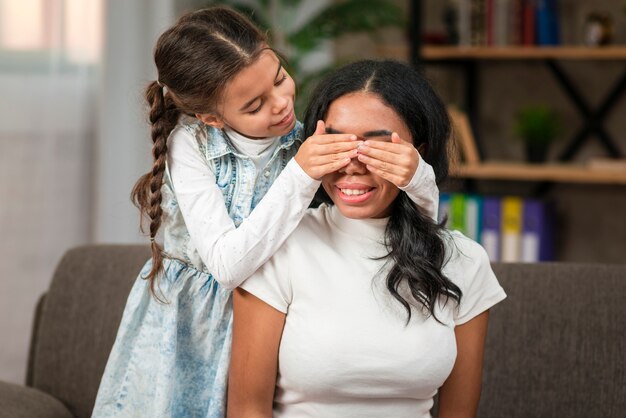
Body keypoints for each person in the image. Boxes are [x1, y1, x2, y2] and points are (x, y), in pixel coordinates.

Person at [92, 8, 440, 418]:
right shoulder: (191, 146)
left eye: (279, 79)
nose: (281, 105)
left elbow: (404, 228)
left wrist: (419, 177)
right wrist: (301, 174)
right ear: (211, 117)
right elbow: (226, 266)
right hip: (192, 330)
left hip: (274, 316)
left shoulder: (302, 139)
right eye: (256, 104)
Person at [228, 60, 507, 418]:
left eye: (376, 149)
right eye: (336, 144)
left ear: (416, 155)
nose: (352, 165)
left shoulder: (465, 261)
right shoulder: (278, 247)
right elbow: (247, 409)